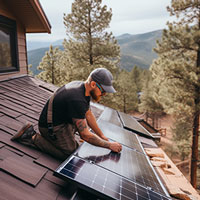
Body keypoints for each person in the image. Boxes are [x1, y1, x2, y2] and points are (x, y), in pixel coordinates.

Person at [11, 68, 122, 160]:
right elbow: (85, 135)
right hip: (51, 128)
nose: (104, 94)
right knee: (70, 156)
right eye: (103, 91)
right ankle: (32, 136)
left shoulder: (82, 87)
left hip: (61, 121)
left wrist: (101, 136)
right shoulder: (77, 99)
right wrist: (109, 145)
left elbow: (88, 114)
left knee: (80, 142)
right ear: (93, 84)